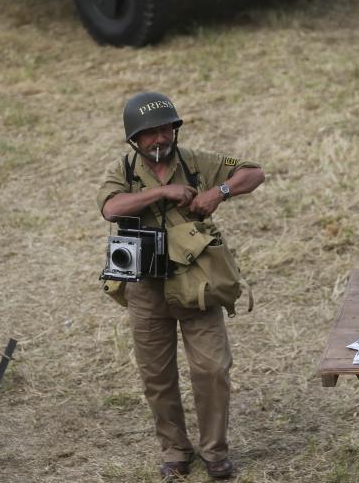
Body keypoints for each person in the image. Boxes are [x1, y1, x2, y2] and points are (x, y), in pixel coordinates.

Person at [96, 92, 265, 480]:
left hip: (197, 284)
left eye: (165, 129)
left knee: (212, 370)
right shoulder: (123, 169)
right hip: (145, 287)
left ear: (175, 129)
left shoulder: (196, 163)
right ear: (134, 141)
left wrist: (219, 191)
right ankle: (174, 449)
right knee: (157, 375)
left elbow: (253, 173)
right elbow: (110, 208)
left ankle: (215, 451)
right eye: (149, 134)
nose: (159, 139)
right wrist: (161, 192)